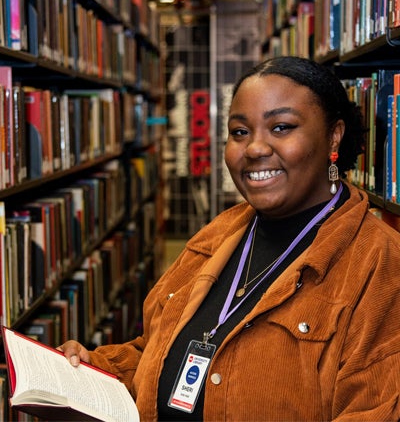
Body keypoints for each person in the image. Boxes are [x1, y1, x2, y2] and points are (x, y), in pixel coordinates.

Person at [58, 56, 400, 421]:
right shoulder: (219, 234)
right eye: (239, 132)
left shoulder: (379, 264)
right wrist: (94, 368)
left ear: (334, 134)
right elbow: (158, 351)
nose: (254, 148)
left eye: (281, 127)